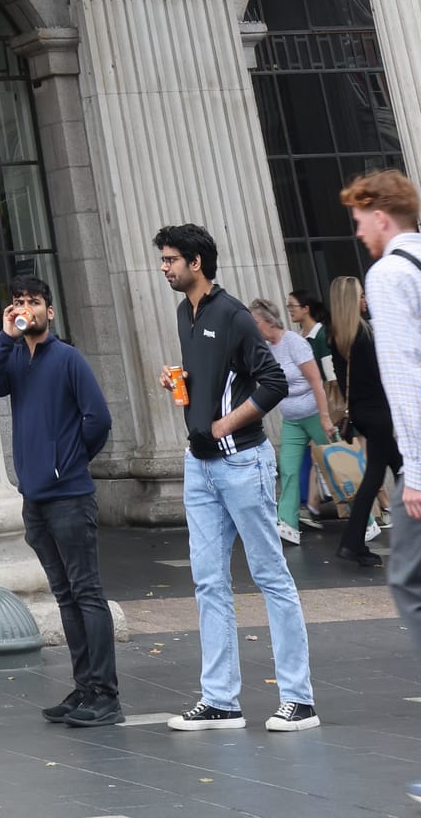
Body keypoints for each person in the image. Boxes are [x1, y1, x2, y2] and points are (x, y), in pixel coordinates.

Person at [153, 222, 316, 731]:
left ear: (195, 263)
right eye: (163, 259)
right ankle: (220, 700)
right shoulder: (185, 313)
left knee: (270, 576)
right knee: (208, 582)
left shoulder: (234, 314)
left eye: (170, 259)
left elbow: (273, 382)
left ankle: (300, 700)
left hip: (242, 462)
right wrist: (180, 383)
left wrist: (224, 424)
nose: (164, 268)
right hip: (199, 465)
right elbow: (214, 377)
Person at [0, 272, 119, 727]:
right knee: (64, 595)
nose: (26, 309)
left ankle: (106, 695)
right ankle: (85, 687)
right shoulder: (15, 358)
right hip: (35, 499)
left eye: (34, 302)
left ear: (49, 311)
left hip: (69, 496)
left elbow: (98, 419)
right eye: (19, 302)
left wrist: (68, 462)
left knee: (86, 592)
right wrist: (4, 337)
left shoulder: (68, 359)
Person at [342, 164, 421, 785]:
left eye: (359, 220)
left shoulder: (390, 273)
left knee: (408, 580)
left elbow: (405, 376)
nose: (358, 233)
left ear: (380, 215)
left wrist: (414, 472)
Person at [252, 296, 336, 546]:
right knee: (288, 469)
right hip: (292, 420)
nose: (253, 327)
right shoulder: (266, 348)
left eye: (255, 322)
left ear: (269, 321)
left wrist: (325, 417)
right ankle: (287, 523)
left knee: (335, 465)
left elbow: (316, 381)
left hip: (314, 415)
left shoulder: (294, 342)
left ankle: (365, 519)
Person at [329, 269, 400, 564]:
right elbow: (383, 375)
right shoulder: (366, 334)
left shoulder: (336, 338)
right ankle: (352, 542)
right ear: (351, 300)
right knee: (378, 476)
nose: (365, 299)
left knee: (399, 467)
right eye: (360, 295)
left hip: (361, 414)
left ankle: (353, 543)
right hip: (379, 413)